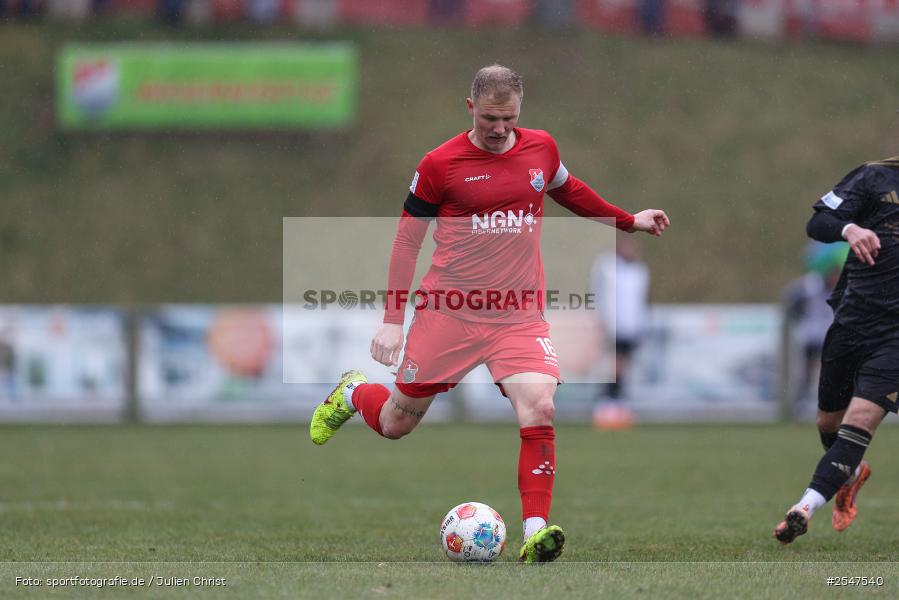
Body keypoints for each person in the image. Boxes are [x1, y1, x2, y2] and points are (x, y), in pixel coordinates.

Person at [310, 65, 670, 562]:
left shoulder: (541, 148)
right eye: (490, 119)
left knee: (539, 406)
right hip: (449, 314)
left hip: (517, 316)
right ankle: (352, 390)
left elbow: (568, 189)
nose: (500, 129)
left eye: (509, 118)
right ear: (470, 108)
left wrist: (627, 221)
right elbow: (406, 241)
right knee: (396, 423)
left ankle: (536, 531)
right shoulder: (440, 164)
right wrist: (393, 320)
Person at [774, 155, 899, 544]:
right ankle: (853, 472)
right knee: (828, 425)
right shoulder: (874, 177)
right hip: (852, 323)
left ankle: (803, 507)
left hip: (896, 336)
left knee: (858, 423)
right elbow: (817, 223)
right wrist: (849, 228)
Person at [591, 237, 649, 415]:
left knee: (624, 365)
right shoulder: (607, 266)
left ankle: (617, 398)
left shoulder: (640, 271)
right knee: (614, 364)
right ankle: (608, 398)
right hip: (612, 324)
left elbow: (641, 300)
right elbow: (597, 290)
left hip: (631, 326)